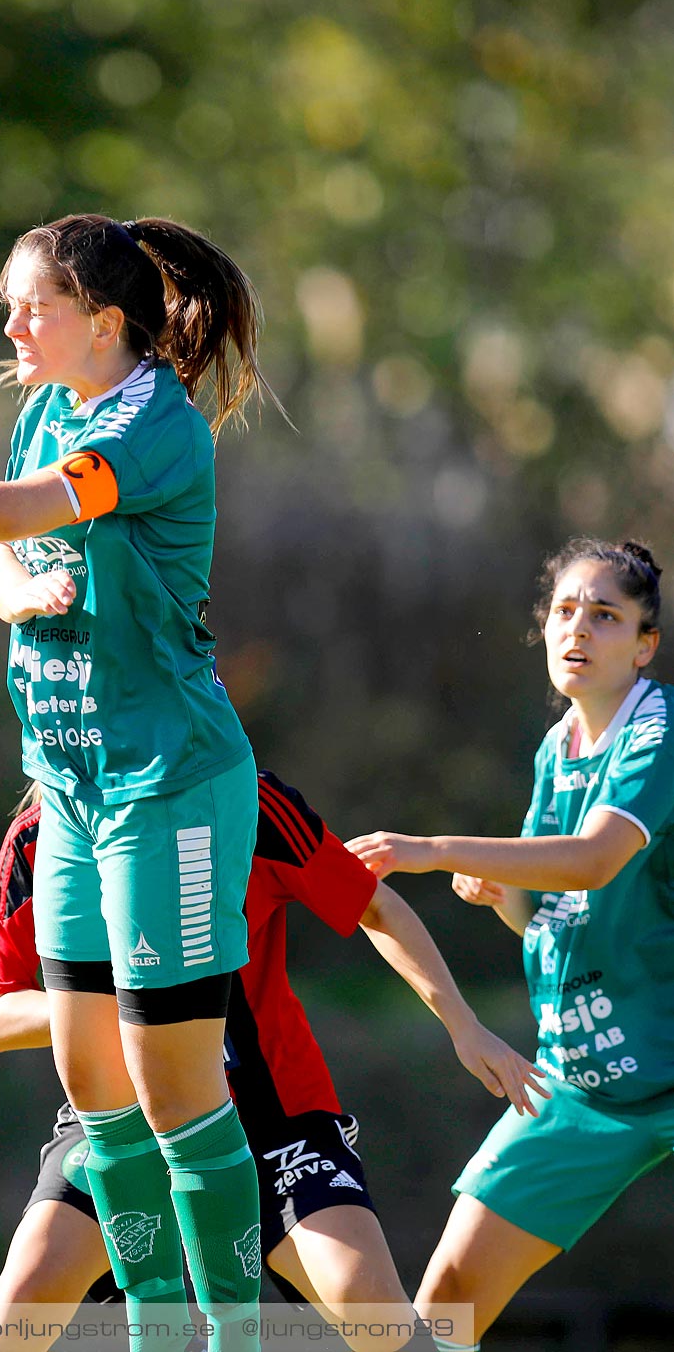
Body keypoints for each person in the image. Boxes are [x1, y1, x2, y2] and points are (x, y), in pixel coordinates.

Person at [0, 214, 274, 1352]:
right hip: (71, 790)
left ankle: (231, 1344)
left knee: (176, 1093)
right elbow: (7, 560)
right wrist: (14, 594)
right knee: (97, 1091)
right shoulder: (53, 404)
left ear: (104, 323)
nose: (10, 325)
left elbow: (10, 511)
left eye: (30, 305)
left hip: (167, 786)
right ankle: (153, 1335)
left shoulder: (153, 423)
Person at [0, 774, 545, 1352]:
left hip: (274, 1125)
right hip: (124, 1126)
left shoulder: (246, 799)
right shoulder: (40, 836)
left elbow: (377, 907)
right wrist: (117, 1012)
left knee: (373, 1310)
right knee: (22, 1304)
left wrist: (465, 1028)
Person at [347, 538, 673, 1352]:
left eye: (606, 615)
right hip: (583, 1080)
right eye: (567, 611)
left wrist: (437, 849)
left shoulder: (658, 734)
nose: (580, 629)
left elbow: (595, 861)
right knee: (449, 1297)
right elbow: (542, 917)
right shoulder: (555, 747)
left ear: (644, 645)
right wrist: (504, 894)